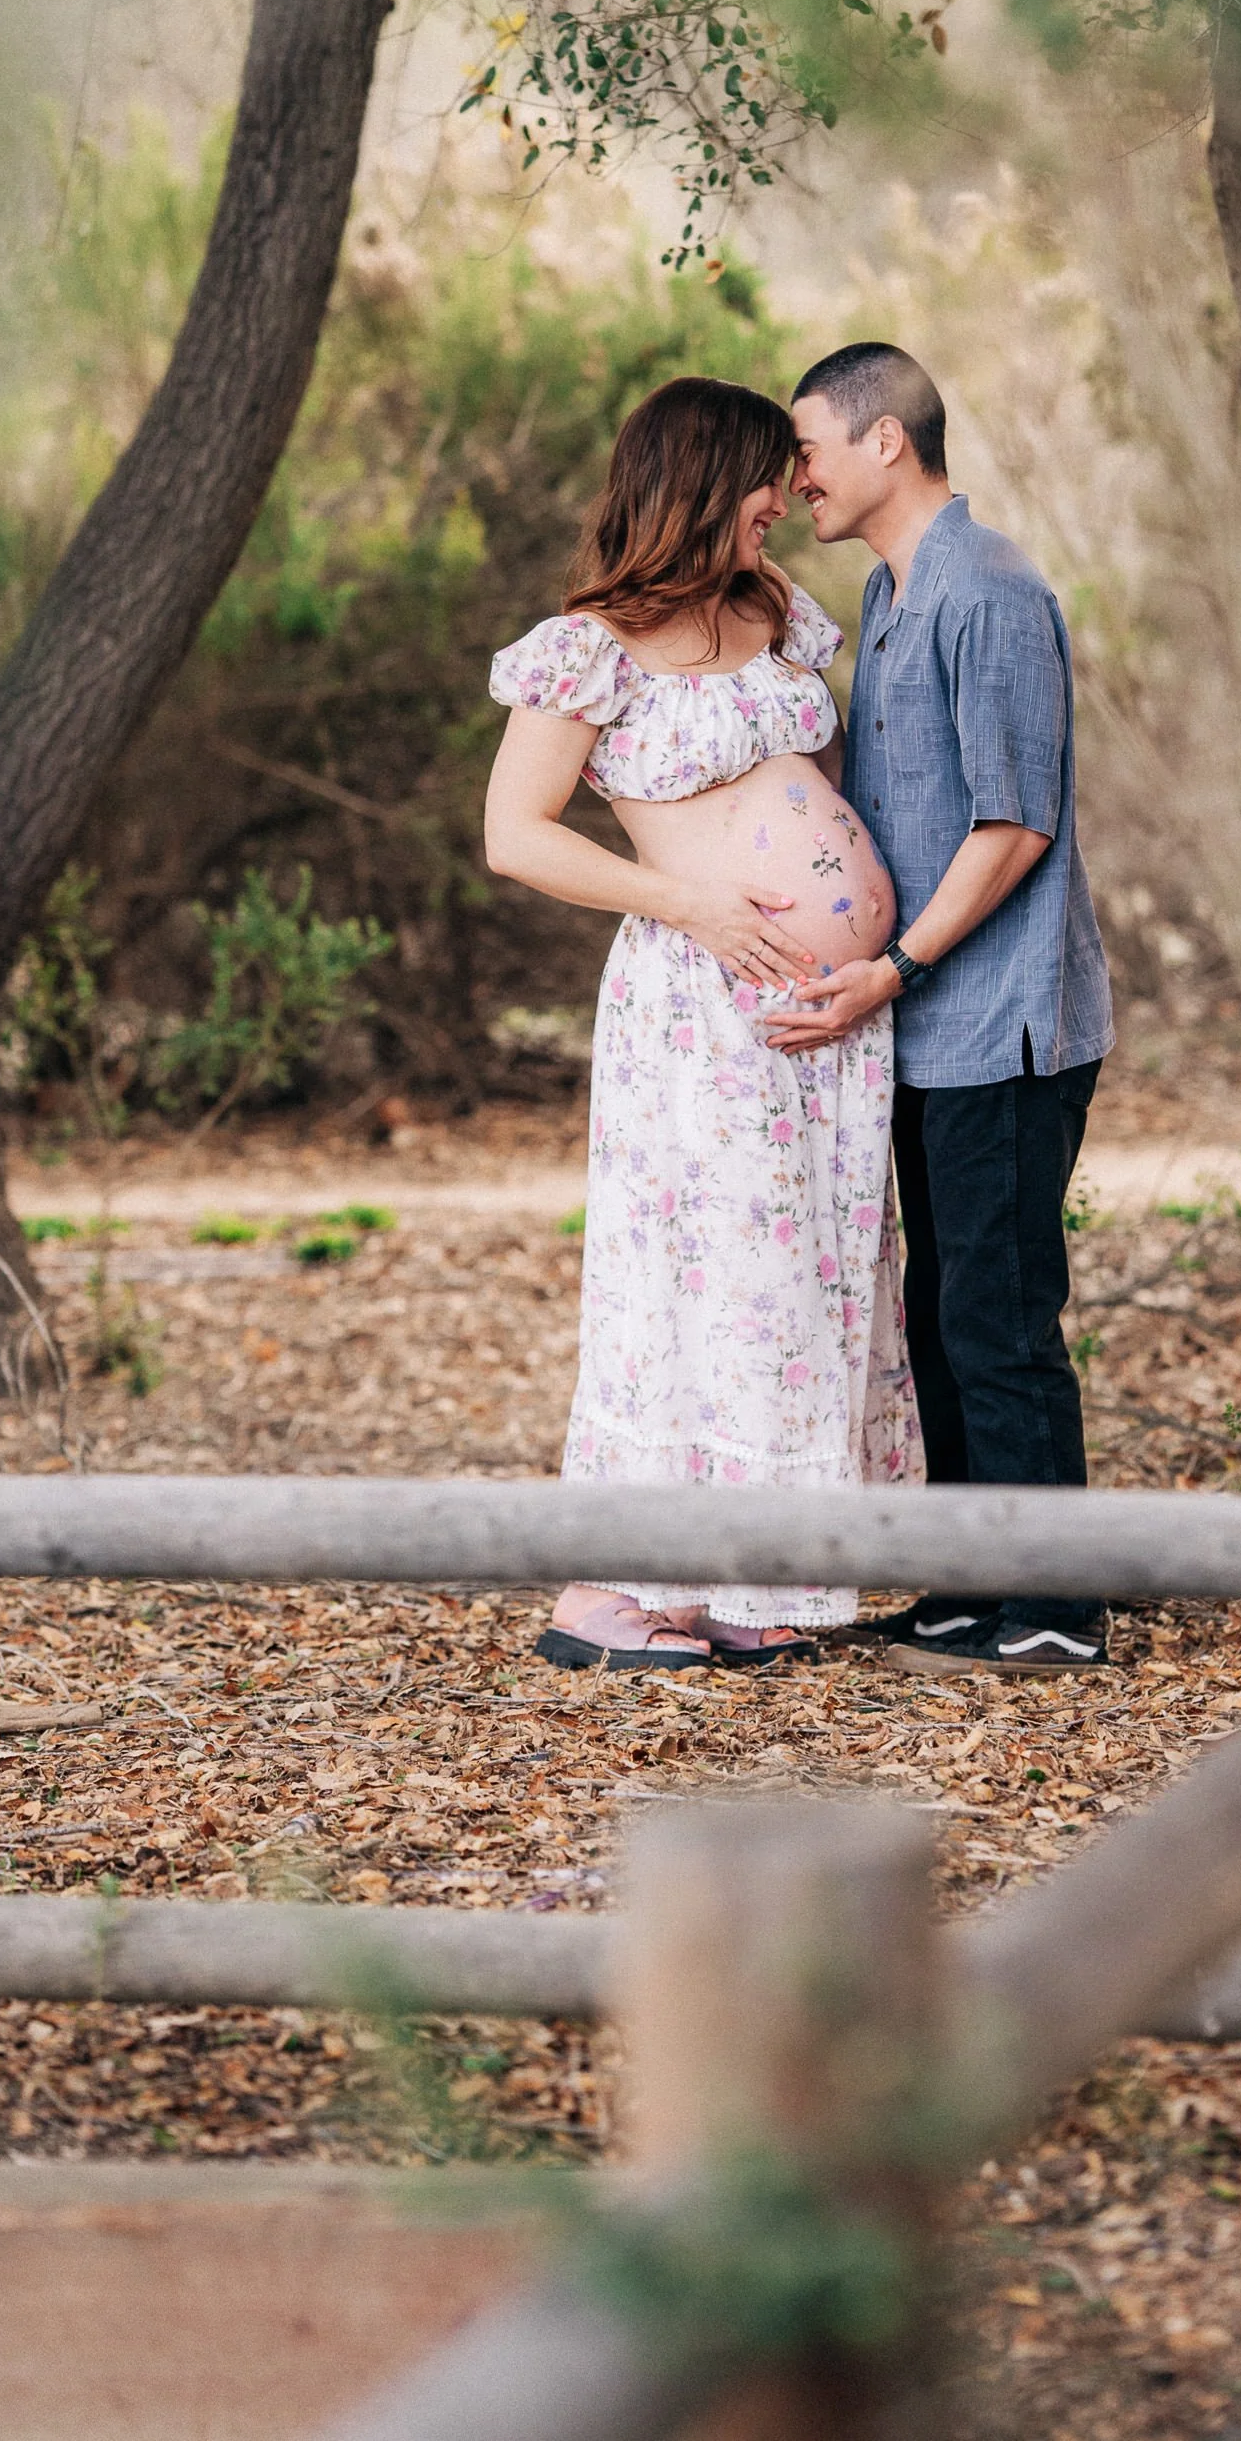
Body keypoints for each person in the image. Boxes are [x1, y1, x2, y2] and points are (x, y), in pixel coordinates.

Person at [483, 375, 922, 1671]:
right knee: (702, 1279)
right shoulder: (584, 651)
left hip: (826, 1015)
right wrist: (695, 906)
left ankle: (755, 1573)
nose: (784, 504)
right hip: (699, 1008)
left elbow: (814, 792)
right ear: (697, 484)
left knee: (805, 1274)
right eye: (764, 483)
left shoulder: (777, 614)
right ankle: (618, 1590)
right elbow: (515, 838)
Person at [772, 343, 1114, 1671]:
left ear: (883, 444)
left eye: (806, 447)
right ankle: (975, 1583)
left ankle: (1055, 1611)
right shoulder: (887, 586)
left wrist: (897, 965)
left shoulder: (989, 590)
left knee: (999, 1313)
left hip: (1004, 1027)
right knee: (936, 1314)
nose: (794, 475)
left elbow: (1012, 822)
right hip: (919, 1030)